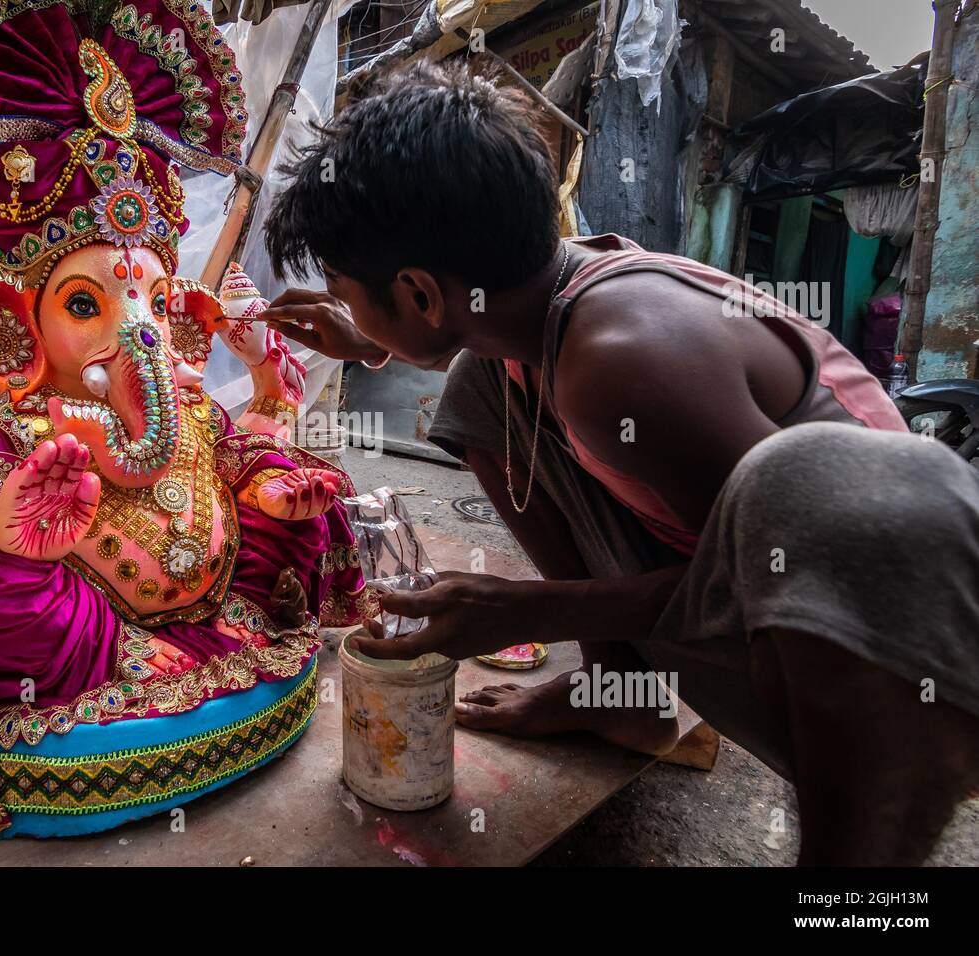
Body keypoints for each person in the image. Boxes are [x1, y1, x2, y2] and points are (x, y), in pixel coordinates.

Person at [259, 59, 979, 865]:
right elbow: (468, 337)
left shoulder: (623, 359)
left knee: (788, 493)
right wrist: (372, 337)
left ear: (423, 293)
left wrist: (533, 610)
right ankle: (621, 693)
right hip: (777, 574)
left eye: (346, 289)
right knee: (477, 390)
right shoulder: (542, 304)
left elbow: (762, 579)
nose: (340, 303)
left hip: (895, 636)